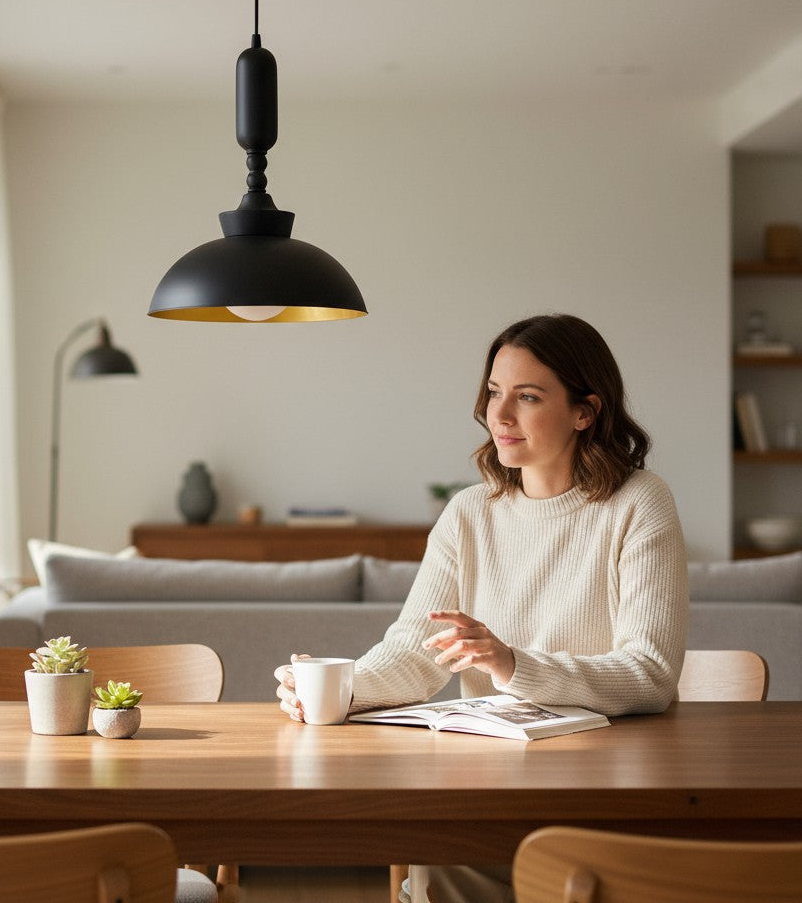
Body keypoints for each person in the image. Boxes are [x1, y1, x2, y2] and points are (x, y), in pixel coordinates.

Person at [274, 313, 688, 903]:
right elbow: (416, 653)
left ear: (585, 411)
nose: (500, 415)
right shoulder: (469, 513)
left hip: (604, 788)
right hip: (494, 786)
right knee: (441, 857)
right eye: (495, 393)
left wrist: (512, 664)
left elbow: (650, 673)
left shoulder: (640, 503)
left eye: (527, 396)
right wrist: (338, 688)